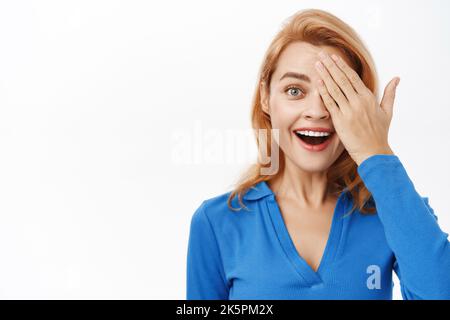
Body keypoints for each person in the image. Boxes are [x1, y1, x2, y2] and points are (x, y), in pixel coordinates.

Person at [186, 8, 450, 300]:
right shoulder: (216, 222)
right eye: (295, 91)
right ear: (265, 96)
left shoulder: (393, 211)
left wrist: (375, 151)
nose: (317, 111)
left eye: (336, 93)